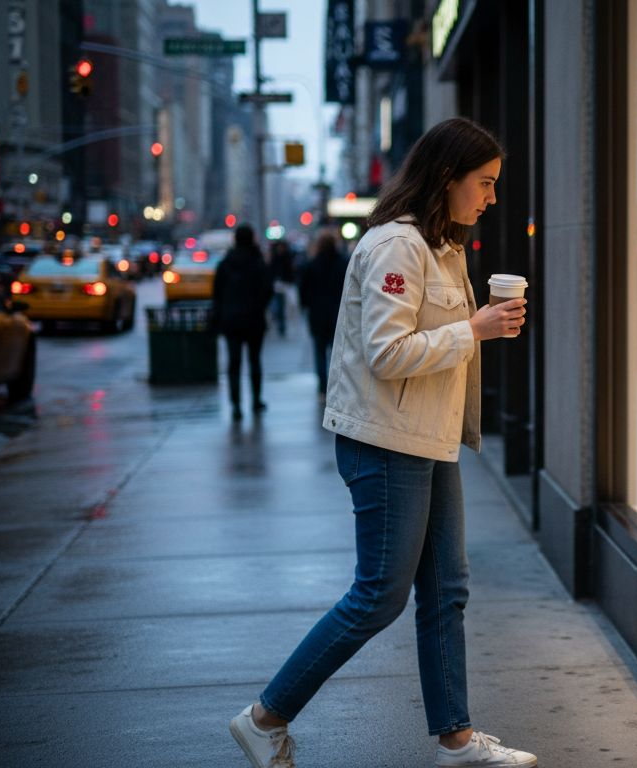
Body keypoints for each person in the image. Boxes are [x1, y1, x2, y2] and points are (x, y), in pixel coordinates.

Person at [228, 117, 536, 768]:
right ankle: (264, 718)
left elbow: (433, 342)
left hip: (427, 440)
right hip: (387, 443)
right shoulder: (397, 247)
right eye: (484, 183)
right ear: (447, 178)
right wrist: (474, 329)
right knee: (378, 596)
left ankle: (455, 740)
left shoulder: (443, 248)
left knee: (446, 589)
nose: (492, 197)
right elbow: (388, 353)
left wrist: (479, 327)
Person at [212, 224, 273, 421]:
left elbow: (217, 295)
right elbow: (267, 290)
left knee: (234, 364)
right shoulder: (258, 263)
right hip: (254, 320)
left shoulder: (224, 264)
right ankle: (256, 400)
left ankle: (236, 405)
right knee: (255, 361)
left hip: (231, 321)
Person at [297, 229, 348, 398]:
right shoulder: (343, 263)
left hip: (317, 314)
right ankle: (337, 385)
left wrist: (306, 306)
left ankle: (322, 386)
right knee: (337, 352)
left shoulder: (311, 265)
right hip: (338, 314)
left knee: (319, 351)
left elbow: (303, 291)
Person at [268, 239, 296, 337]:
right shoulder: (276, 258)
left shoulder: (286, 257)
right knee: (279, 306)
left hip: (285, 284)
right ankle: (281, 325)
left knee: (284, 306)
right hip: (277, 285)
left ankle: (282, 324)